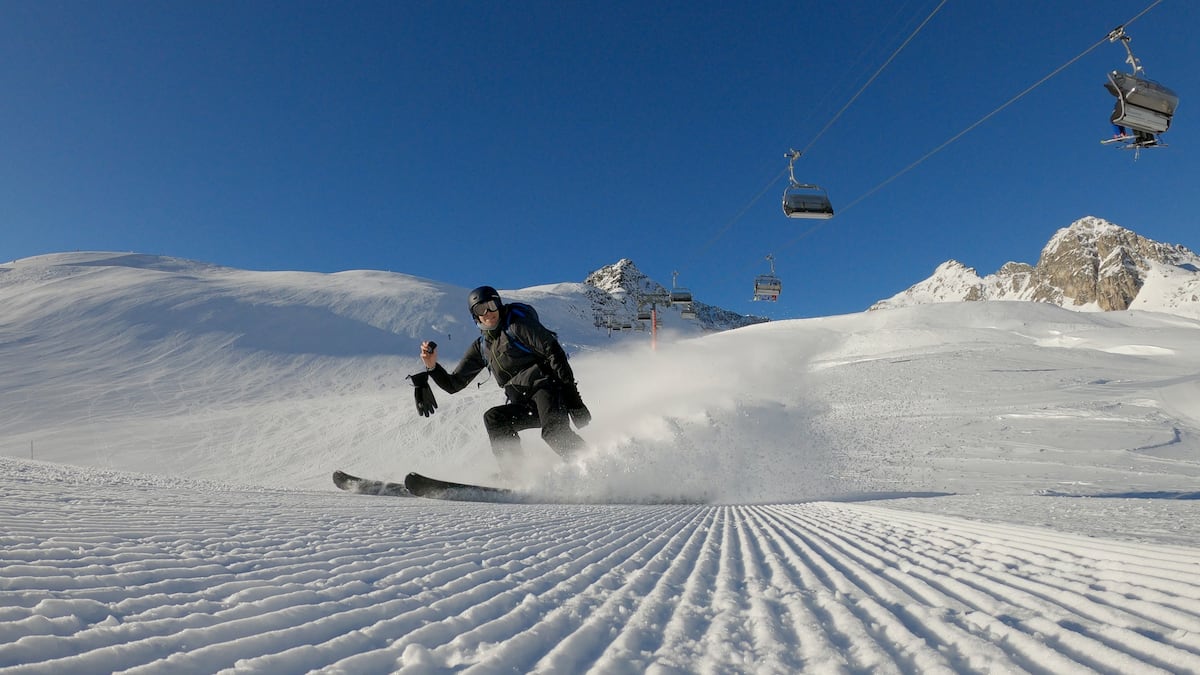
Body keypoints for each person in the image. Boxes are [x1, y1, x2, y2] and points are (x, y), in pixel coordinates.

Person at [408, 286, 590, 473]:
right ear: (475, 316)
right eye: (481, 309)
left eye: (492, 305)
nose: (488, 313)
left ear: (499, 305)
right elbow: (454, 385)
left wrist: (574, 400)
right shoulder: (481, 347)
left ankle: (596, 467)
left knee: (554, 433)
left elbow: (554, 352)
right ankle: (515, 475)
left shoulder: (517, 325)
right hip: (525, 402)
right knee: (495, 419)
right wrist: (431, 367)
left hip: (548, 390)